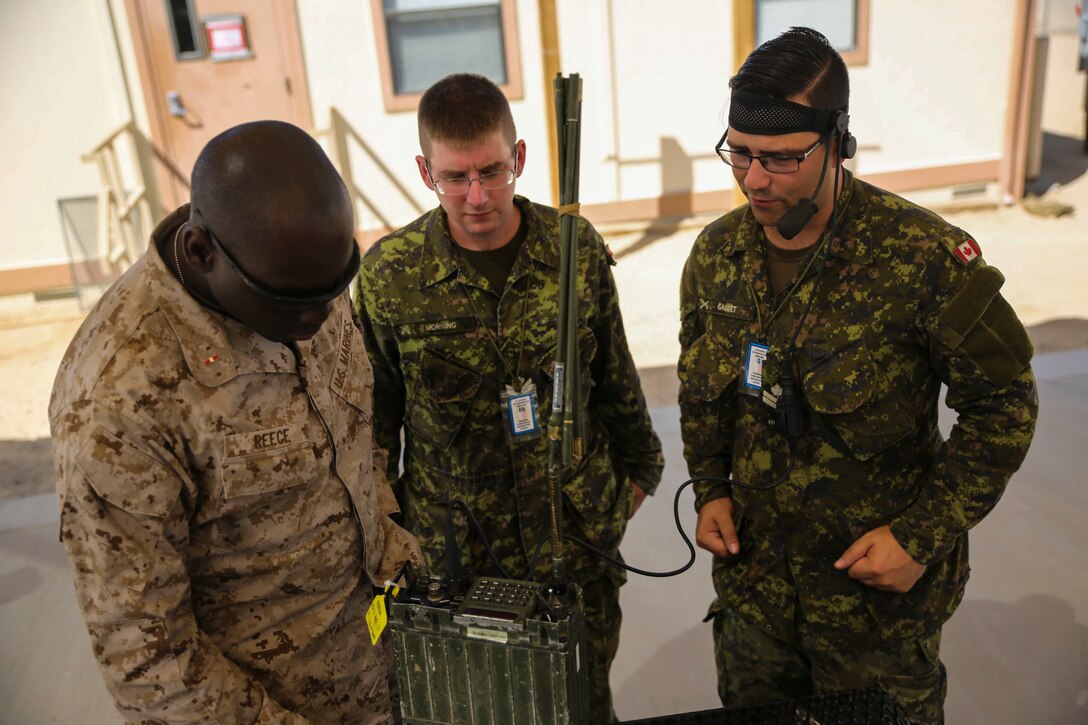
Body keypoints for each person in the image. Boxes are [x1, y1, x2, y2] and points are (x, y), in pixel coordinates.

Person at [678, 27, 1038, 724]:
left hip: (873, 613)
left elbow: (1004, 406)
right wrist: (711, 491)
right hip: (756, 600)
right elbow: (701, 391)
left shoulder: (922, 257)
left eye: (780, 159)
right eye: (740, 153)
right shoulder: (716, 255)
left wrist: (921, 536)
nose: (753, 179)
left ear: (837, 141)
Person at [50, 120, 420, 724]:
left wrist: (393, 537)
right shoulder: (119, 401)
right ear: (202, 253)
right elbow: (149, 662)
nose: (323, 315)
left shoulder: (300, 268)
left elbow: (355, 434)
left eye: (335, 289)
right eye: (294, 302)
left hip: (383, 666)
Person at [354, 72, 663, 722]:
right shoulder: (392, 277)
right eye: (454, 177)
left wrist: (628, 488)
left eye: (492, 171)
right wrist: (384, 534)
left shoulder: (574, 253)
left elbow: (617, 387)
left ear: (518, 158)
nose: (476, 196)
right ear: (424, 171)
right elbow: (374, 427)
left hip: (571, 546)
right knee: (476, 708)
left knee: (580, 704)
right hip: (457, 559)